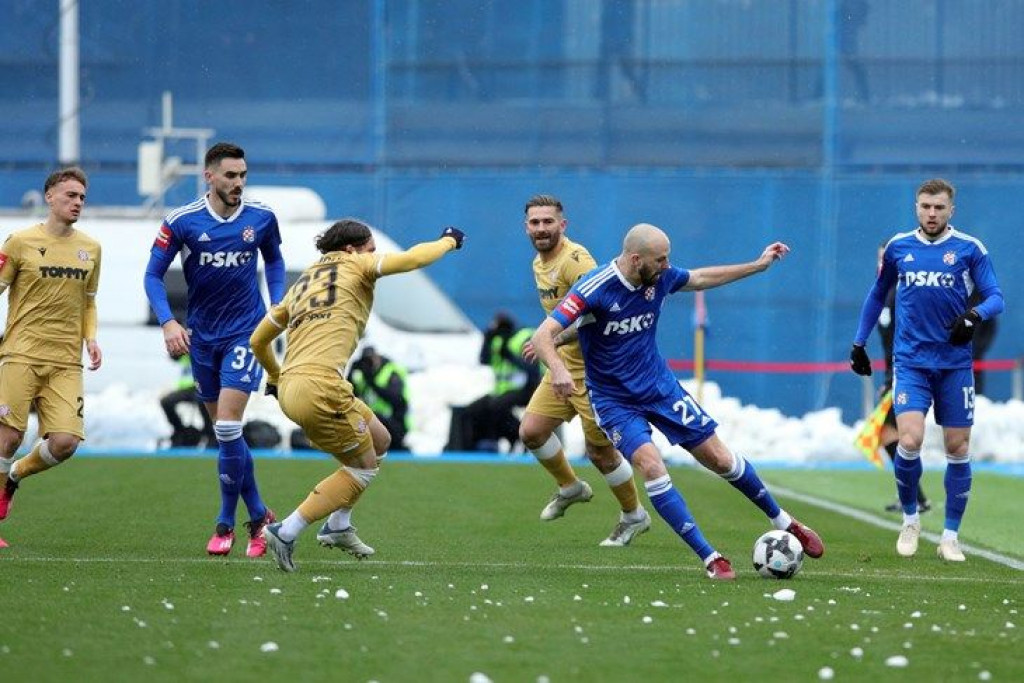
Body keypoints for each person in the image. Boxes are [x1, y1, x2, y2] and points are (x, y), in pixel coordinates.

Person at [531, 223, 824, 580]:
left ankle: (784, 521)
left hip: (660, 388)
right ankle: (711, 558)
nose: (667, 265)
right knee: (652, 466)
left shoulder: (660, 277)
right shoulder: (595, 286)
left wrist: (757, 265)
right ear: (636, 259)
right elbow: (543, 334)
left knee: (719, 458)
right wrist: (558, 368)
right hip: (614, 401)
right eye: (660, 259)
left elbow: (700, 277)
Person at [250, 220, 465, 572]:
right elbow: (412, 259)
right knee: (362, 469)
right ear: (351, 249)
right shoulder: (356, 264)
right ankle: (286, 531)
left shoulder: (302, 283)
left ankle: (338, 524)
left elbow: (258, 340)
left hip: (293, 387)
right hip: (322, 388)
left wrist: (275, 376)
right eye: (370, 249)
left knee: (381, 440)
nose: (373, 255)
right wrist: (448, 242)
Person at [143, 142, 286, 558]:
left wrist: (277, 305)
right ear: (209, 176)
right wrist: (168, 321)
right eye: (230, 175)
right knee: (228, 435)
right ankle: (259, 515)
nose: (239, 183)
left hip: (246, 333)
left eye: (243, 175)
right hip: (203, 339)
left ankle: (224, 523)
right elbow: (152, 275)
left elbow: (275, 262)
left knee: (225, 428)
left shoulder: (261, 217)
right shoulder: (182, 221)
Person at [850, 178, 1004, 562]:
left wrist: (973, 315)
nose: (931, 213)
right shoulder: (899, 247)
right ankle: (910, 519)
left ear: (951, 210)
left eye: (938, 207)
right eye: (925, 206)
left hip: (954, 366)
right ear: (916, 208)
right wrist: (858, 343)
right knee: (909, 440)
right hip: (911, 364)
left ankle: (950, 536)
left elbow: (995, 297)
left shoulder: (970, 249)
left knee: (957, 447)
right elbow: (876, 294)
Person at [517, 194, 650, 547]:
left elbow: (600, 312)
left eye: (548, 222)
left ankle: (634, 515)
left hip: (595, 374)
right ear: (526, 227)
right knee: (531, 431)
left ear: (563, 224)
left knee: (601, 453)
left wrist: (553, 337)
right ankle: (570, 487)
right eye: (535, 222)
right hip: (562, 367)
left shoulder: (576, 261)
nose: (541, 228)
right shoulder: (539, 262)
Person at [0, 167, 103, 548]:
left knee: (65, 442)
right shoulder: (20, 242)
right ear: (49, 197)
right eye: (70, 195)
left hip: (66, 360)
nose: (77, 203)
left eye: (82, 198)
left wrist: (90, 338)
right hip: (21, 353)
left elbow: (88, 302)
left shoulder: (91, 249)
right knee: (8, 438)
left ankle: (14, 477)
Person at [874, 244, 931, 514]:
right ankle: (914, 496)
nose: (882, 264)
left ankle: (914, 497)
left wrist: (894, 378)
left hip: (906, 374)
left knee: (892, 435)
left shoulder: (904, 293)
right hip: (895, 374)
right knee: (893, 436)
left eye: (887, 258)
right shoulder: (885, 292)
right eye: (879, 258)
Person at [448, 311, 539, 452]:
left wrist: (509, 356)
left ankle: (520, 435)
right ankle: (475, 445)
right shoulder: (497, 340)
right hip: (501, 391)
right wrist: (487, 339)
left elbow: (533, 371)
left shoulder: (524, 337)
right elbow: (483, 360)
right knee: (472, 410)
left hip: (527, 389)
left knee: (496, 406)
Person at [347, 346, 410, 451]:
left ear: (377, 358)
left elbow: (396, 400)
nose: (368, 364)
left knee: (373, 418)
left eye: (370, 360)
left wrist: (372, 382)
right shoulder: (363, 374)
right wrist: (351, 372)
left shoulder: (391, 371)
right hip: (374, 423)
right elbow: (349, 397)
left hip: (396, 424)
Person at [159, 353, 215, 448]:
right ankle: (180, 431)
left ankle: (209, 434)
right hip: (185, 389)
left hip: (201, 386)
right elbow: (174, 356)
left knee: (202, 400)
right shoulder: (185, 348)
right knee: (166, 401)